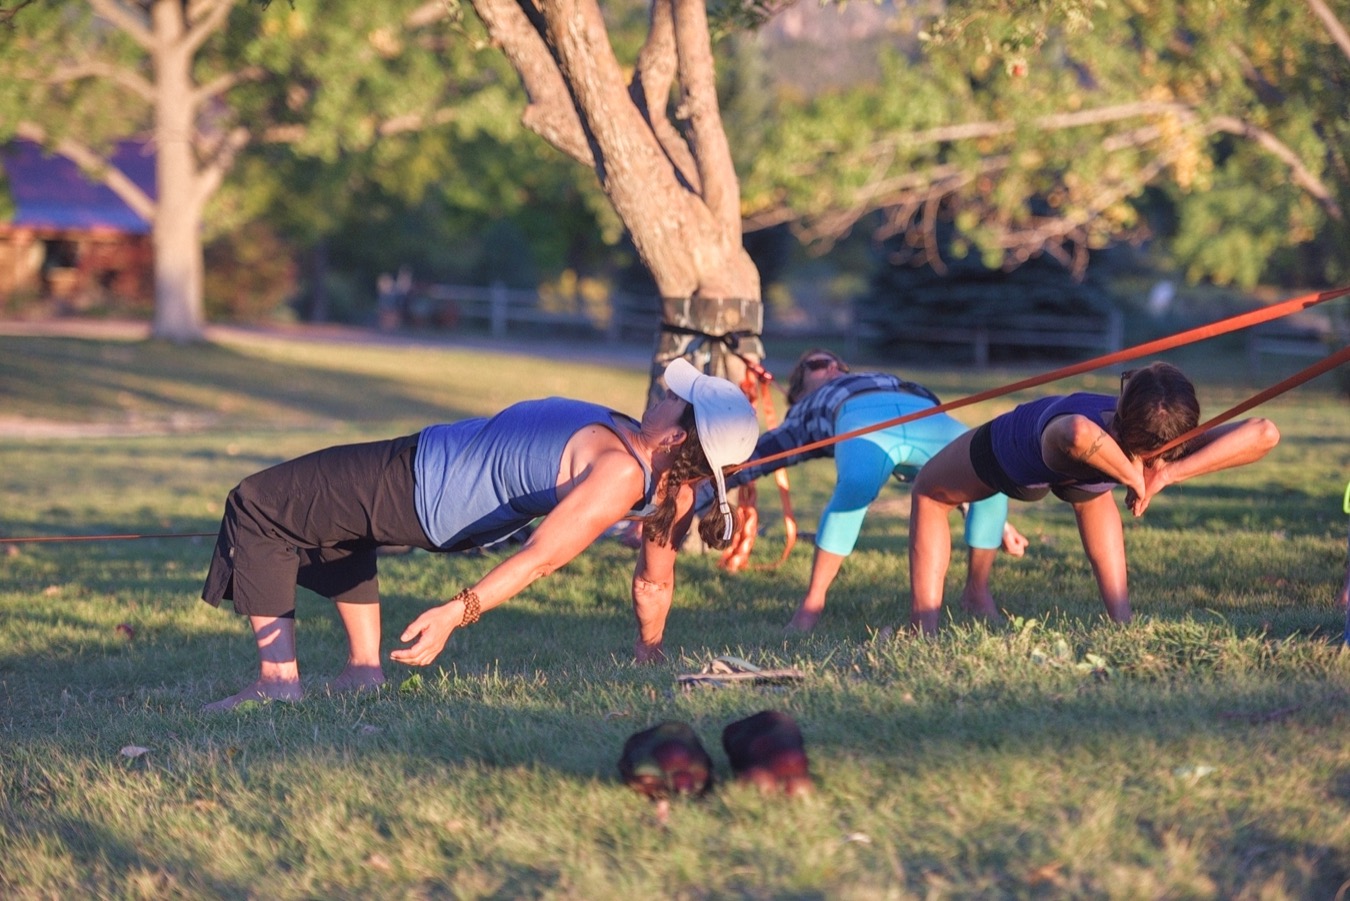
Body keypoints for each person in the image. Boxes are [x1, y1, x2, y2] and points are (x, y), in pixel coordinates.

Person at [200, 358, 759, 710]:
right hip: (426, 481)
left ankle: (277, 683)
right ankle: (363, 673)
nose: (661, 397)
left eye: (672, 401)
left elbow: (541, 558)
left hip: (418, 483)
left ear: (675, 440)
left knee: (259, 505)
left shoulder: (619, 470)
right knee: (329, 524)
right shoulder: (672, 489)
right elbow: (653, 586)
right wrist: (649, 651)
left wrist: (455, 612)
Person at [909, 361, 1281, 635]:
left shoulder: (1101, 427)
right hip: (1054, 461)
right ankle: (1120, 622)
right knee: (1092, 491)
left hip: (1015, 456)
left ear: (1123, 403)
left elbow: (1265, 434)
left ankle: (922, 629)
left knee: (929, 492)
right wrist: (1145, 473)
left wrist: (1166, 474)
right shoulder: (1162, 441)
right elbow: (1264, 431)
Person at [702, 348, 1027, 632]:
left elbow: (961, 481)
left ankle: (977, 592)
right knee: (856, 485)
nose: (834, 367)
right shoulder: (806, 409)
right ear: (798, 394)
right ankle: (811, 606)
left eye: (838, 363)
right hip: (859, 418)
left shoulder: (873, 377)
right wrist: (700, 487)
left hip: (926, 415)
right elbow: (761, 455)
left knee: (989, 470)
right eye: (816, 364)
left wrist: (1001, 526)